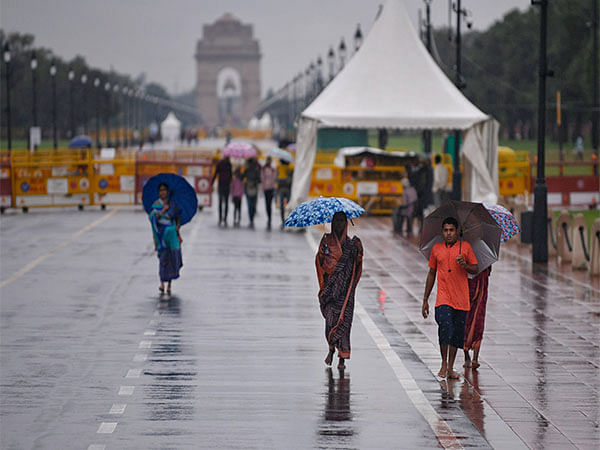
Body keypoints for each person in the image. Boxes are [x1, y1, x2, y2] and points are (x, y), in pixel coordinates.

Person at [421, 217, 478, 379]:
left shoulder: (465, 247)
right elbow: (431, 273)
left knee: (456, 335)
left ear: (457, 231)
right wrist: (425, 299)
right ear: (442, 232)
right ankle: (443, 363)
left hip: (461, 299)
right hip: (443, 298)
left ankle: (451, 367)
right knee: (445, 327)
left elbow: (475, 268)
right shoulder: (436, 249)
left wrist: (465, 265)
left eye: (451, 230)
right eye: (445, 230)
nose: (448, 233)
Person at [315, 211, 363, 370]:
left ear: (346, 223)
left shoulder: (351, 244)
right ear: (332, 222)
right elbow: (320, 262)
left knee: (345, 322)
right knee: (330, 321)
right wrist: (322, 253)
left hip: (345, 292)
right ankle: (330, 348)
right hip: (330, 289)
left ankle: (342, 357)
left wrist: (359, 252)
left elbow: (357, 266)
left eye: (342, 221)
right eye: (336, 221)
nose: (339, 224)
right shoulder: (326, 241)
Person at [148, 182, 182, 296]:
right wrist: (163, 211)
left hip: (171, 234)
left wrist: (177, 226)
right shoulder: (156, 204)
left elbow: (177, 217)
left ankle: (169, 285)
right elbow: (152, 218)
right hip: (160, 235)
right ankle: (162, 283)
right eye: (161, 190)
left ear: (167, 192)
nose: (163, 192)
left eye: (164, 190)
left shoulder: (172, 203)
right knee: (163, 259)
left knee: (172, 259)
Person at [463, 266, 492, 369]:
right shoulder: (484, 253)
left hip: (478, 285)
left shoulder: (462, 251)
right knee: (474, 318)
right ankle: (471, 356)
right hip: (469, 285)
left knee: (472, 319)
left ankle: (470, 357)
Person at [212, 155, 232, 226]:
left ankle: (225, 218)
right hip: (221, 185)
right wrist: (212, 183)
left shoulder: (229, 164)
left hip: (226, 186)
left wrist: (231, 184)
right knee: (221, 202)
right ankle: (221, 218)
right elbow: (216, 173)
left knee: (225, 202)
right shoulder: (220, 164)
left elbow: (231, 175)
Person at [243, 157, 261, 228]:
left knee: (252, 205)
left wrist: (253, 183)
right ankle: (251, 219)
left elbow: (259, 180)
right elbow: (242, 177)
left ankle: (252, 219)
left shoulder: (256, 170)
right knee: (250, 205)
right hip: (248, 189)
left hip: (254, 189)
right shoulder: (246, 170)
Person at [261, 156, 277, 230]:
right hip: (266, 188)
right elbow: (262, 179)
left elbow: (274, 178)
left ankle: (270, 218)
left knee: (270, 204)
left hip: (271, 188)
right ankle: (268, 217)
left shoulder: (273, 169)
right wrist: (262, 189)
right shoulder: (263, 169)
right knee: (267, 204)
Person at [277, 159, 293, 228]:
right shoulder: (291, 168)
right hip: (288, 189)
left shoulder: (279, 168)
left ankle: (283, 221)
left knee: (282, 206)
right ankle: (288, 220)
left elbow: (277, 179)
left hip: (281, 189)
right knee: (288, 205)